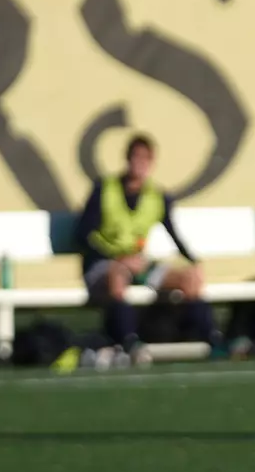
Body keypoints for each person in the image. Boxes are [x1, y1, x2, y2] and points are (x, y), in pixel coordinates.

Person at [75, 134, 216, 349]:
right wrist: (117, 259)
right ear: (127, 159)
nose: (139, 163)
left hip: (138, 264)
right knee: (117, 277)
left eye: (145, 158)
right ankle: (128, 341)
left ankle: (210, 339)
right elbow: (82, 234)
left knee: (189, 279)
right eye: (136, 157)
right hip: (103, 264)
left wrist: (194, 261)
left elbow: (173, 233)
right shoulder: (104, 189)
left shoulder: (156, 196)